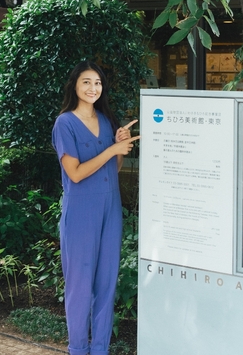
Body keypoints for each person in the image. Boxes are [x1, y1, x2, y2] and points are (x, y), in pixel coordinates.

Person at [51, 61, 140, 355]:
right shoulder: (65, 123)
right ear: (75, 85)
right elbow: (75, 173)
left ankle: (100, 349)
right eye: (87, 82)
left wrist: (118, 145)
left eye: (98, 83)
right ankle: (78, 349)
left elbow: (112, 169)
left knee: (106, 284)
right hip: (81, 213)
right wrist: (112, 150)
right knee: (79, 286)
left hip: (110, 209)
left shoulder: (106, 120)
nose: (93, 88)